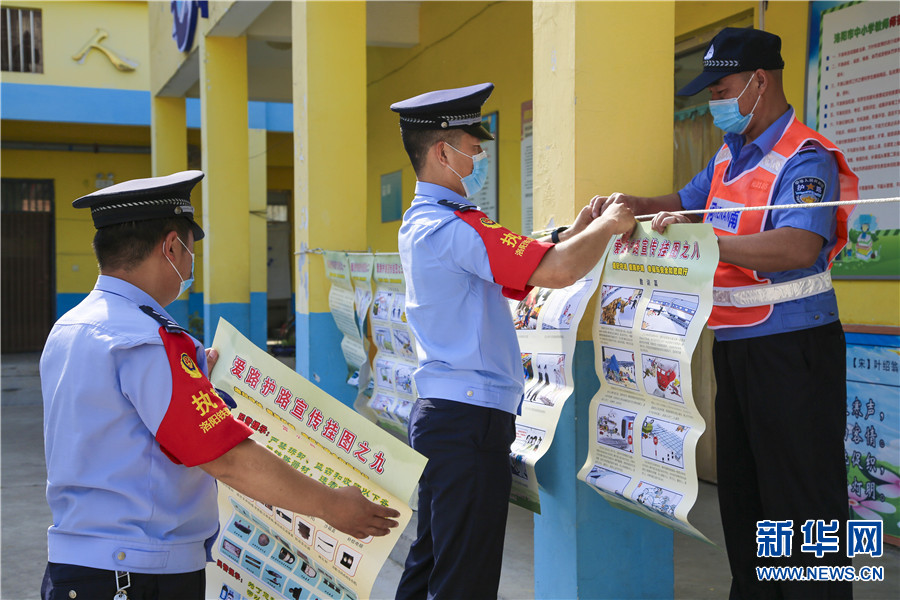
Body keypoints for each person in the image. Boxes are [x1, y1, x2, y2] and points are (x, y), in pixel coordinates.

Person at [40, 171, 400, 599]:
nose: (190, 265)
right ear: (171, 246)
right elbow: (225, 458)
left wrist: (194, 385)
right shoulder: (150, 340)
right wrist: (331, 505)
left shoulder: (71, 326)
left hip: (78, 567)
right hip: (137, 575)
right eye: (190, 252)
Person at [596, 28, 858, 599]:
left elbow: (797, 246)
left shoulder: (806, 157)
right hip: (737, 346)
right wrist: (635, 206)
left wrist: (704, 239)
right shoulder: (727, 156)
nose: (714, 99)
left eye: (723, 86)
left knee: (803, 502)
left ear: (760, 82)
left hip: (795, 350)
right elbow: (684, 204)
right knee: (745, 497)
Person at [390, 82, 636, 599]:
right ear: (441, 153)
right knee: (464, 580)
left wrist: (576, 231)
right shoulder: (455, 228)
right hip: (468, 422)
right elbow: (558, 270)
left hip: (443, 414)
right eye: (472, 147)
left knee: (431, 562)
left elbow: (528, 253)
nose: (479, 157)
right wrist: (613, 225)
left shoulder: (425, 223)